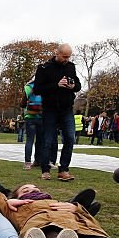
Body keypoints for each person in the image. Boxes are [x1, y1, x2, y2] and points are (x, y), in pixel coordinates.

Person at [34, 43, 82, 181]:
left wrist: (73, 86)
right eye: (64, 56)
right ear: (57, 53)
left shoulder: (71, 67)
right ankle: (45, 169)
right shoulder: (44, 68)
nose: (66, 59)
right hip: (50, 109)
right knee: (48, 140)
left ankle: (64, 169)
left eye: (68, 56)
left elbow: (78, 85)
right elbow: (37, 89)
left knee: (70, 138)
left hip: (66, 108)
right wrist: (56, 85)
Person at [22, 81, 45, 169]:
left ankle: (27, 162)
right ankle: (37, 160)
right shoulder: (45, 85)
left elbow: (23, 103)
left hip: (30, 116)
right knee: (40, 140)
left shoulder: (28, 87)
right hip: (41, 116)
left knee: (29, 140)